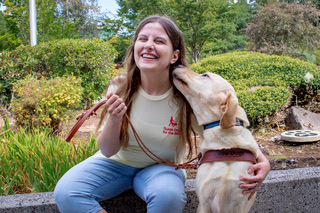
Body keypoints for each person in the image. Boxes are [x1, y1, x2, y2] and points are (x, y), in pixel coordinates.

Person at [54, 15, 270, 213]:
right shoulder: (119, 86)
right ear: (135, 46)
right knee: (66, 193)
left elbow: (223, 132)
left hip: (162, 168)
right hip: (115, 164)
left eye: (159, 41)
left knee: (169, 196)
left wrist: (262, 161)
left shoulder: (186, 96)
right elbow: (108, 150)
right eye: (142, 39)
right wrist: (114, 118)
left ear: (174, 55)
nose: (148, 45)